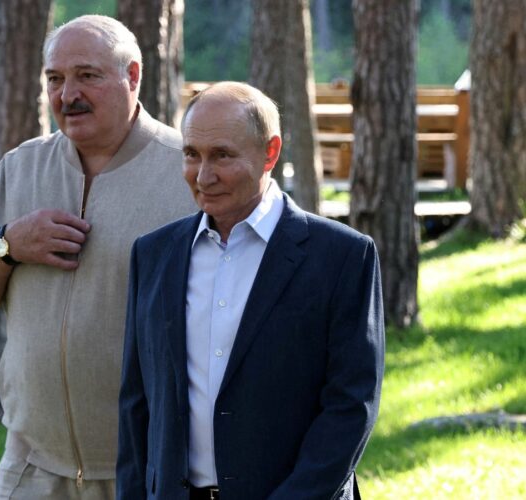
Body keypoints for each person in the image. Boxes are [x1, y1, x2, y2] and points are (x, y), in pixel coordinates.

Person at [0, 15, 196, 499]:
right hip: (31, 468)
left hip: (148, 469)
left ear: (133, 76)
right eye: (54, 79)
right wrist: (9, 244)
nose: (67, 94)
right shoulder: (21, 167)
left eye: (87, 75)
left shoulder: (188, 171)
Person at [117, 82, 385, 500]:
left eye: (222, 155)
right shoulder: (152, 255)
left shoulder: (343, 257)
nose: (203, 176)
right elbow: (137, 407)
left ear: (270, 152)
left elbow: (351, 407)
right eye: (191, 155)